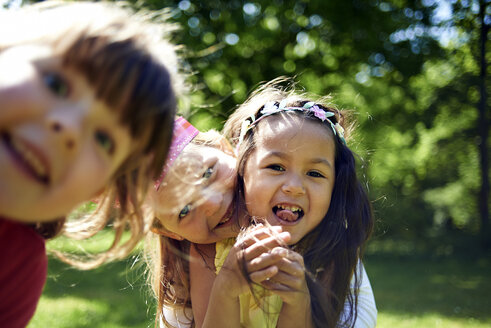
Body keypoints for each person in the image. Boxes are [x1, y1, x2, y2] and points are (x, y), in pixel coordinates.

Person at [0, 1, 182, 327]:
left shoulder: (16, 265)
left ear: (96, 189)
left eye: (103, 140)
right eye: (56, 85)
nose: (68, 128)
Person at [145, 86, 376, 327]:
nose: (212, 205)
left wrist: (297, 301)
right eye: (184, 210)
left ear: (227, 149)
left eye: (208, 173)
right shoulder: (207, 254)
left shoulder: (327, 247)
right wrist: (225, 288)